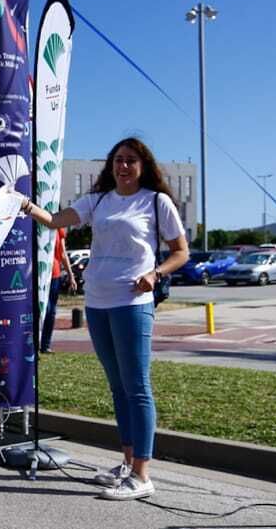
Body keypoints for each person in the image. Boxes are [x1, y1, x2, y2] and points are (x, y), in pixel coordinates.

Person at [23, 137, 190, 501]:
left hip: (133, 302)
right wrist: (25, 205)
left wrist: (156, 274)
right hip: (97, 302)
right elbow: (54, 220)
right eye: (118, 160)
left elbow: (181, 252)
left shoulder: (155, 201)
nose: (123, 166)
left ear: (143, 166)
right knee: (117, 386)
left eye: (130, 160)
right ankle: (127, 463)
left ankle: (142, 475)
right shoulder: (98, 200)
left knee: (137, 387)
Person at [39, 228, 77, 354]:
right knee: (40, 309)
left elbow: (62, 253)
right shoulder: (35, 226)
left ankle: (45, 345)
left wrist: (71, 275)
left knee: (50, 311)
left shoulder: (58, 228)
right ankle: (34, 343)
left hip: (54, 274)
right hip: (38, 274)